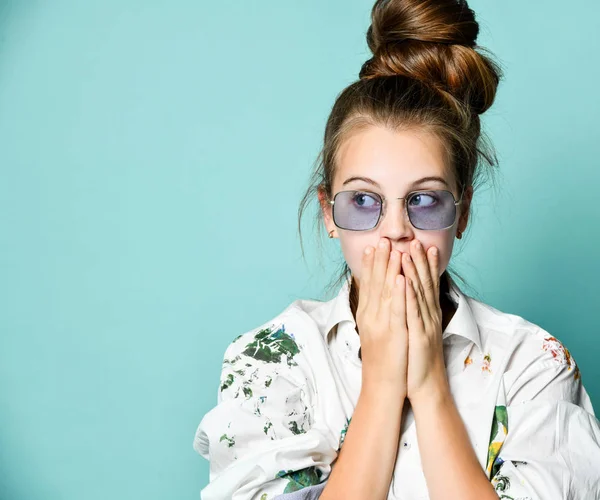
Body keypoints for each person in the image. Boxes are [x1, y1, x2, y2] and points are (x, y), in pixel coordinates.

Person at [192, 0, 600, 498]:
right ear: (328, 213)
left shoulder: (534, 363)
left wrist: (429, 387)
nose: (395, 230)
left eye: (424, 200)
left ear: (463, 211)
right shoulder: (272, 363)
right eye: (364, 200)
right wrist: (383, 386)